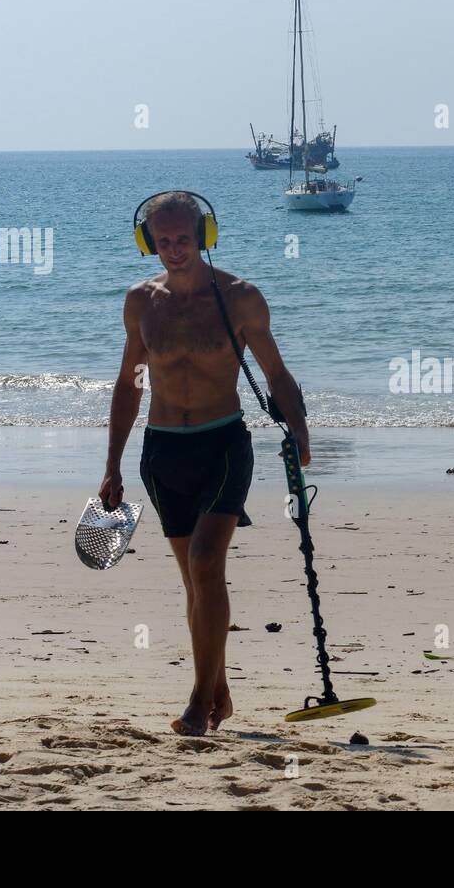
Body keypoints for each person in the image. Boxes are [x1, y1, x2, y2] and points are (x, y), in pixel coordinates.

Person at [98, 191, 311, 735]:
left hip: (223, 445)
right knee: (195, 582)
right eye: (162, 240)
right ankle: (221, 692)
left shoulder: (239, 298)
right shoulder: (140, 302)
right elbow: (130, 384)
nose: (174, 250)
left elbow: (276, 373)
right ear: (148, 241)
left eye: (183, 239)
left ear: (205, 236)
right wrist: (113, 464)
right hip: (162, 450)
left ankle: (198, 702)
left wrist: (301, 430)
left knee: (205, 561)